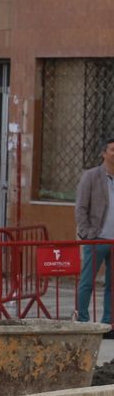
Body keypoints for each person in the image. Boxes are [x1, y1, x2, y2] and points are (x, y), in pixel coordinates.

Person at [74, 137, 114, 331]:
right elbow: (81, 207)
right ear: (103, 153)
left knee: (112, 286)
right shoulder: (91, 176)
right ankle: (81, 321)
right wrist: (86, 233)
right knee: (87, 282)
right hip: (96, 238)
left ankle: (109, 324)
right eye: (113, 150)